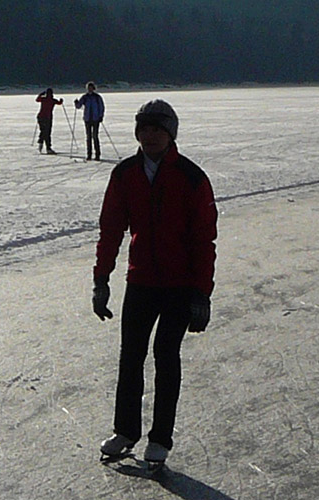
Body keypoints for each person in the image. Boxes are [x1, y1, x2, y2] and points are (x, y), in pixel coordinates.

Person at [92, 100, 217, 472]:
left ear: (170, 134)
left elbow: (204, 240)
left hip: (179, 285)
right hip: (141, 280)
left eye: (157, 129)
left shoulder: (192, 177)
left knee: (166, 355)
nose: (150, 136)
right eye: (144, 129)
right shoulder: (125, 174)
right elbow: (110, 229)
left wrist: (201, 294)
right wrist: (101, 279)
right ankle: (126, 431)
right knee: (130, 356)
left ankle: (160, 438)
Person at [75, 82, 106, 161]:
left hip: (95, 119)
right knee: (88, 137)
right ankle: (89, 154)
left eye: (91, 87)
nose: (89, 89)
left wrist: (101, 116)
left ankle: (97, 155)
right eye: (88, 88)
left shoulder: (97, 97)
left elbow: (101, 107)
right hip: (87, 119)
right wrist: (76, 103)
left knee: (95, 137)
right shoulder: (85, 97)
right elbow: (79, 106)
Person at [36, 88, 64, 154]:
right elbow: (59, 103)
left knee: (43, 131)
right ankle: (47, 147)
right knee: (47, 132)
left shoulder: (44, 99)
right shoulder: (52, 100)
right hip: (47, 118)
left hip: (41, 117)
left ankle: (41, 143)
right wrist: (61, 100)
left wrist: (41, 94)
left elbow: (37, 99)